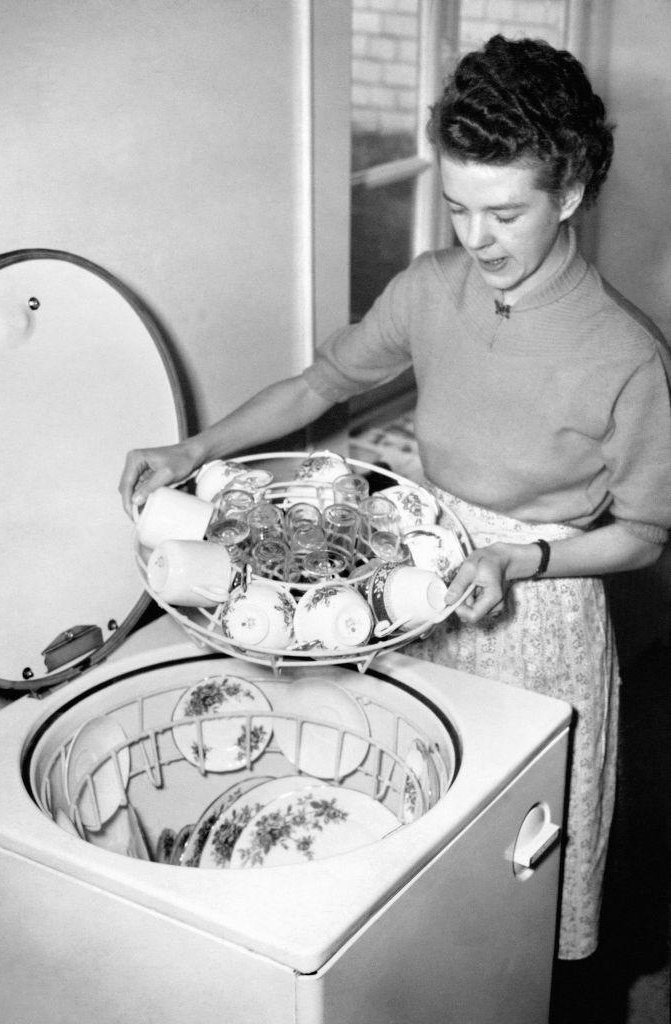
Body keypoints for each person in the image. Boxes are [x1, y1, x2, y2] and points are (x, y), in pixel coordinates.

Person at [120, 36, 671, 965]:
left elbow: (646, 535)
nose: (474, 239)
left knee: (516, 876)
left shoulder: (628, 356)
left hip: (540, 609)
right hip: (419, 578)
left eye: (504, 214)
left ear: (569, 194)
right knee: (408, 855)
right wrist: (195, 447)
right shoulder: (429, 290)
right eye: (458, 208)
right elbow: (318, 384)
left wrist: (524, 559)